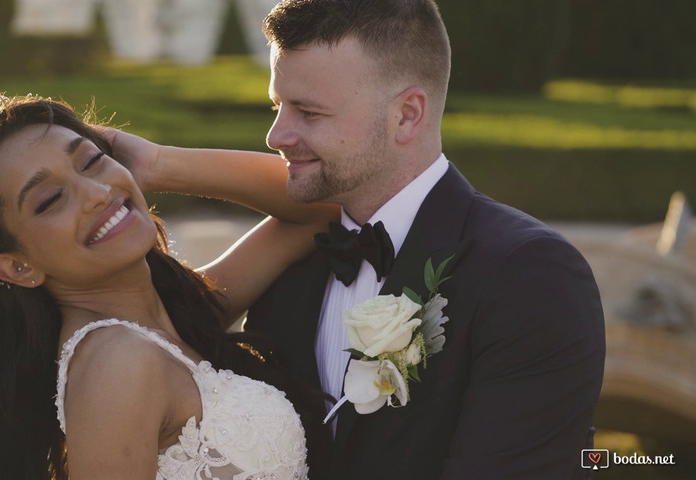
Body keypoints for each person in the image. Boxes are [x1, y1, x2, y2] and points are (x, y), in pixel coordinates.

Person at [233, 0, 606, 478]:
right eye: (276, 105)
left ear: (408, 115)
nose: (275, 134)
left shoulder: (529, 274)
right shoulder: (284, 261)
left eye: (307, 112)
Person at [0, 91, 337, 479]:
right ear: (18, 267)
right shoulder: (117, 362)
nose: (97, 193)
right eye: (50, 200)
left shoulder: (177, 316)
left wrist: (161, 163)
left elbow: (325, 206)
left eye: (91, 162)